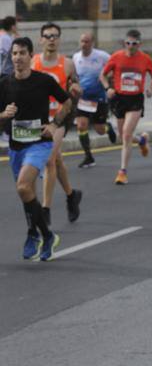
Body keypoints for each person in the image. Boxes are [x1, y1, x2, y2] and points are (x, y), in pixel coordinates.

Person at [1, 37, 73, 260]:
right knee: (27, 194)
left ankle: (39, 235)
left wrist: (54, 124)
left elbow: (67, 102)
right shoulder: (4, 83)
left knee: (23, 187)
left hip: (39, 144)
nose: (18, 58)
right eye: (14, 53)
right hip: (15, 147)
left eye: (22, 53)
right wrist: (3, 115)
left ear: (31, 56)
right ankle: (41, 234)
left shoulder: (44, 81)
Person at [34, 23, 83, 225]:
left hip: (60, 117)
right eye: (47, 36)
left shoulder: (68, 64)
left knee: (49, 160)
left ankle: (45, 209)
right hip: (39, 119)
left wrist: (76, 90)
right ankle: (72, 196)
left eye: (55, 36)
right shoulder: (33, 62)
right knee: (58, 161)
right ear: (41, 40)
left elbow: (75, 85)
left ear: (59, 39)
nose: (51, 39)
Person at [100, 29, 152, 185]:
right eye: (128, 43)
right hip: (119, 98)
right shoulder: (116, 57)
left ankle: (122, 172)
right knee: (123, 136)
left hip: (135, 100)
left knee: (126, 133)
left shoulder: (145, 59)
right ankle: (141, 140)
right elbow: (102, 75)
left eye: (134, 44)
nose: (131, 46)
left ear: (139, 44)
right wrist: (108, 88)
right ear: (124, 43)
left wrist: (151, 89)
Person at [73, 32, 115, 169]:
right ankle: (88, 156)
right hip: (83, 98)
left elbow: (114, 67)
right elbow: (74, 76)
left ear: (92, 43)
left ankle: (108, 127)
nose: (84, 44)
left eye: (87, 42)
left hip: (99, 98)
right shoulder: (76, 57)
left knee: (100, 130)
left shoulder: (102, 56)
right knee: (81, 125)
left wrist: (108, 78)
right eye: (82, 41)